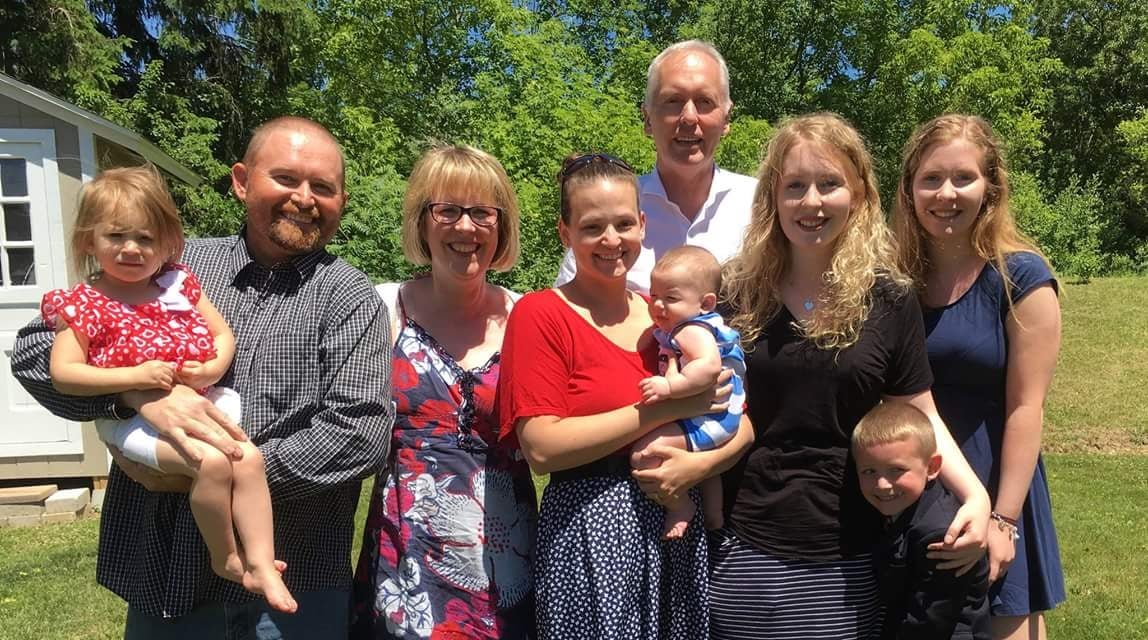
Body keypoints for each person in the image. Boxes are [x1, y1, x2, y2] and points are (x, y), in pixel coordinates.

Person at [11, 116, 392, 638]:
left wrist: (214, 471)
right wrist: (133, 395)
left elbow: (359, 434)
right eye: (285, 178)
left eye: (322, 187)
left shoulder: (350, 297)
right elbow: (34, 353)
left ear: (340, 202)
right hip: (167, 569)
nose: (304, 198)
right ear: (240, 181)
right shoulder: (169, 265)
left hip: (296, 573)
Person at [708, 112, 991, 640]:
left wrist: (979, 500)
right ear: (772, 196)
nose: (811, 202)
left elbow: (921, 412)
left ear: (858, 194)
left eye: (829, 184)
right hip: (747, 542)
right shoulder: (736, 292)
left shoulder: (890, 297)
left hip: (851, 549)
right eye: (795, 186)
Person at [499, 153, 752, 639]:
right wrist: (673, 407)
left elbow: (741, 418)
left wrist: (699, 467)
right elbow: (542, 448)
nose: (611, 240)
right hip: (589, 526)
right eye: (592, 227)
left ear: (642, 224)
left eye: (622, 223)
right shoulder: (541, 314)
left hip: (674, 520)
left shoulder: (663, 317)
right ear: (565, 233)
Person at [41, 165, 294, 613]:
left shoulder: (176, 284)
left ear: (167, 243)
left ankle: (263, 563)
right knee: (212, 464)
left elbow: (222, 337)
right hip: (135, 424)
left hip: (200, 400)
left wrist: (211, 367)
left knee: (247, 457)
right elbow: (64, 373)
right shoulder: (85, 303)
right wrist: (133, 382)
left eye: (145, 238)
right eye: (116, 236)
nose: (132, 249)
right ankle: (228, 558)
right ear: (88, 241)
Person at [350, 144, 537, 639]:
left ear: (502, 225)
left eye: (482, 212)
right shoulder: (383, 307)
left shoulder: (529, 316)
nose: (465, 228)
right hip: (405, 559)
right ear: (422, 221)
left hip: (507, 562)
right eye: (447, 210)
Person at [892, 113, 1066, 640]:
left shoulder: (1022, 278)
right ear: (910, 189)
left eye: (963, 178)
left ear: (990, 187)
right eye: (931, 179)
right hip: (906, 489)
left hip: (997, 481)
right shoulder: (893, 276)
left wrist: (1004, 520)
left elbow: (1025, 408)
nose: (946, 193)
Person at [554, 40, 756, 294]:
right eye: (673, 101)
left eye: (705, 101)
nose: (689, 117)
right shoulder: (611, 205)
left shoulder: (761, 205)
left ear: (726, 119)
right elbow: (568, 311)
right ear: (648, 119)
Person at [632, 245, 746, 538]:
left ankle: (680, 505)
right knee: (709, 468)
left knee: (643, 454)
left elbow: (708, 368)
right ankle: (714, 513)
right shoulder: (690, 325)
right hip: (723, 416)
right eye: (654, 296)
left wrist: (670, 387)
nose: (657, 306)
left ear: (706, 303)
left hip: (712, 417)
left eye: (670, 298)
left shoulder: (690, 330)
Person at [852, 402, 991, 640]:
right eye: (869, 472)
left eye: (896, 470)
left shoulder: (940, 535)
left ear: (933, 467)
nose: (883, 484)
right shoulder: (904, 509)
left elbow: (931, 618)